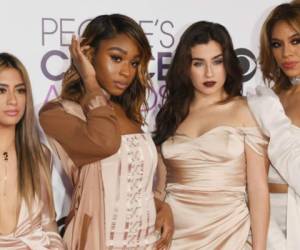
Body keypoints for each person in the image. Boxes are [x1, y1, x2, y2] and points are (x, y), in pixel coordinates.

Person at [39, 14, 173, 250]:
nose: (126, 72)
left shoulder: (129, 113)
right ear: (89, 56)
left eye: (133, 62)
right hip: (99, 241)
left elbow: (135, 179)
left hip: (149, 242)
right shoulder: (57, 113)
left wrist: (161, 205)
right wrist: (90, 80)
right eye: (116, 58)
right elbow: (105, 143)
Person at [153, 21, 269, 250]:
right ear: (186, 67)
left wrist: (260, 247)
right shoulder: (171, 114)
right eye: (198, 63)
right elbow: (161, 185)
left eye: (217, 61)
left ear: (228, 64)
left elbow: (258, 188)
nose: (209, 72)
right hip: (174, 235)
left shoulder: (245, 111)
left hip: (229, 234)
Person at [247, 2, 300, 249]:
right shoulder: (266, 99)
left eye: (296, 41)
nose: (286, 53)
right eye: (277, 44)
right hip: (263, 218)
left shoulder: (266, 105)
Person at [0, 53, 65, 249]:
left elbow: (49, 225)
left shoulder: (39, 155)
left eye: (20, 91)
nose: (13, 100)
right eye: (1, 90)